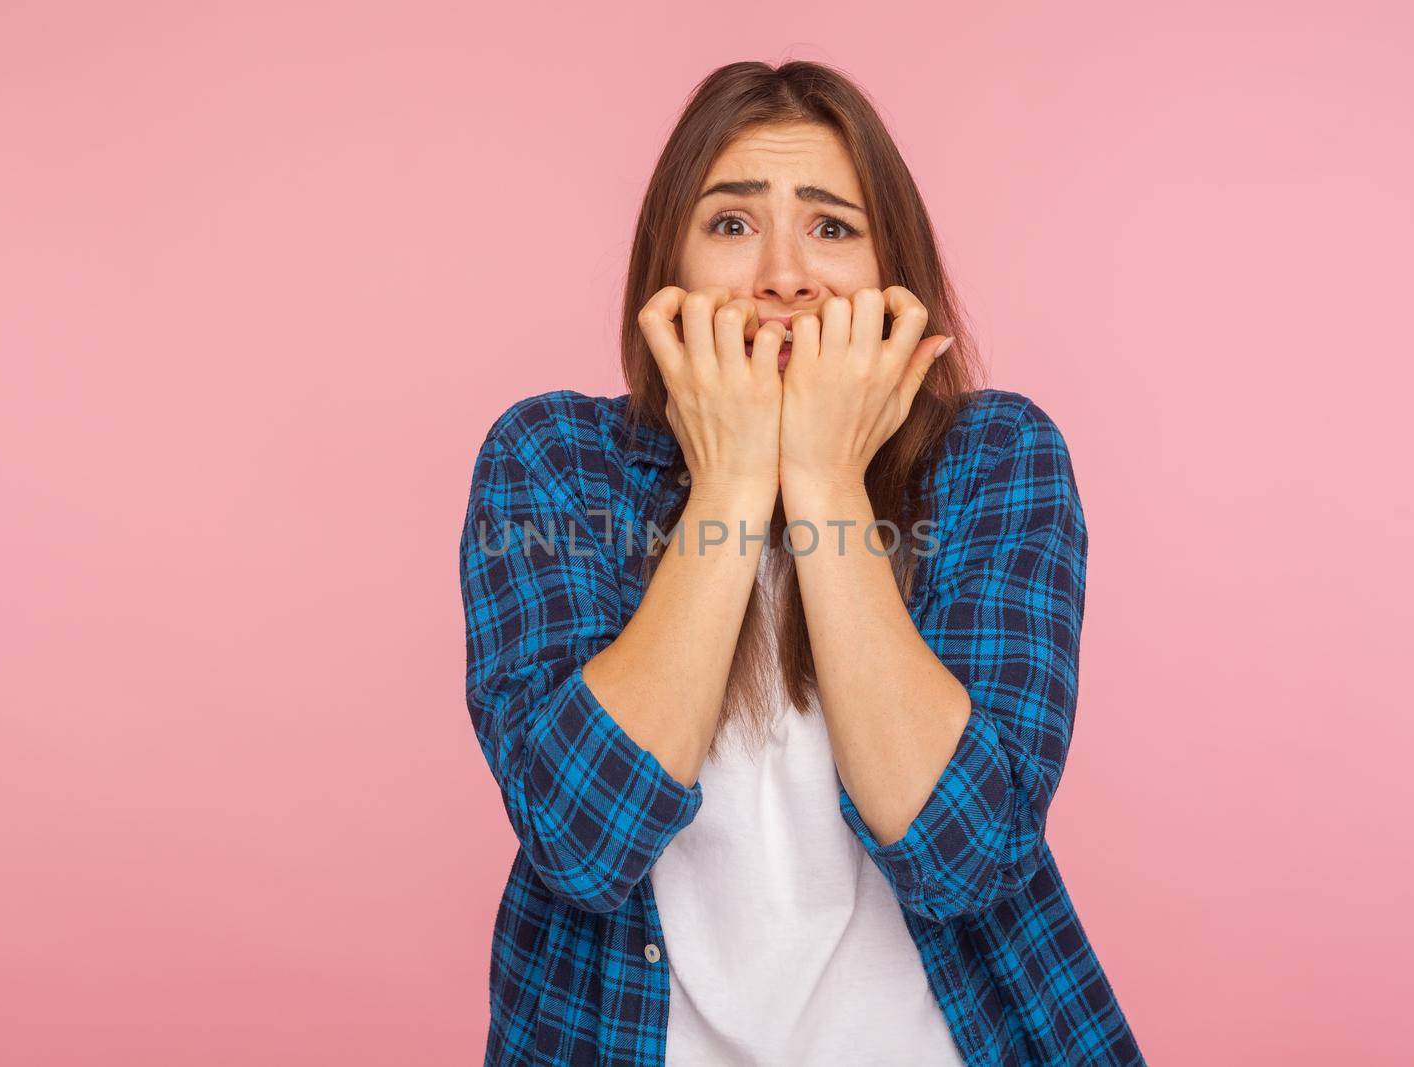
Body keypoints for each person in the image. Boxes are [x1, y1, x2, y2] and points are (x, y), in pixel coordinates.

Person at [459, 60, 1143, 1067]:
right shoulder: (552, 460)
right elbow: (583, 840)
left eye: (832, 226)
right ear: (669, 267)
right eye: (731, 224)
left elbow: (963, 854)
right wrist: (734, 477)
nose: (784, 273)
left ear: (891, 274)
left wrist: (822, 478)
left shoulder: (996, 459)